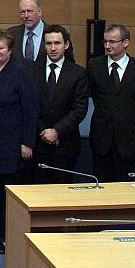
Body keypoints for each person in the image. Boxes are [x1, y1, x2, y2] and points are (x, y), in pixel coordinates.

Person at [0, 29, 38, 255]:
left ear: (10, 50)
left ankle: (8, 236)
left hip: (10, 144)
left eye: (0, 47)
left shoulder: (20, 72)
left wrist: (27, 142)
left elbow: (31, 110)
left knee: (7, 195)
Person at [88, 23, 135, 182]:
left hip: (129, 141)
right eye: (105, 42)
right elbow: (96, 97)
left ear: (125, 42)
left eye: (112, 41)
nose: (107, 46)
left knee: (128, 190)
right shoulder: (94, 67)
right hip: (102, 141)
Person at [32, 25, 89, 183]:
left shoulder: (78, 73)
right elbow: (29, 106)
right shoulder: (32, 70)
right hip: (38, 144)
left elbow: (80, 109)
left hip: (65, 144)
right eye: (49, 44)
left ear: (66, 45)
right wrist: (43, 130)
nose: (53, 48)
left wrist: (56, 131)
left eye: (57, 43)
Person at [9, 0, 46, 65]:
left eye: (29, 11)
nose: (26, 16)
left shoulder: (54, 33)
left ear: (39, 12)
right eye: (22, 12)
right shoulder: (11, 33)